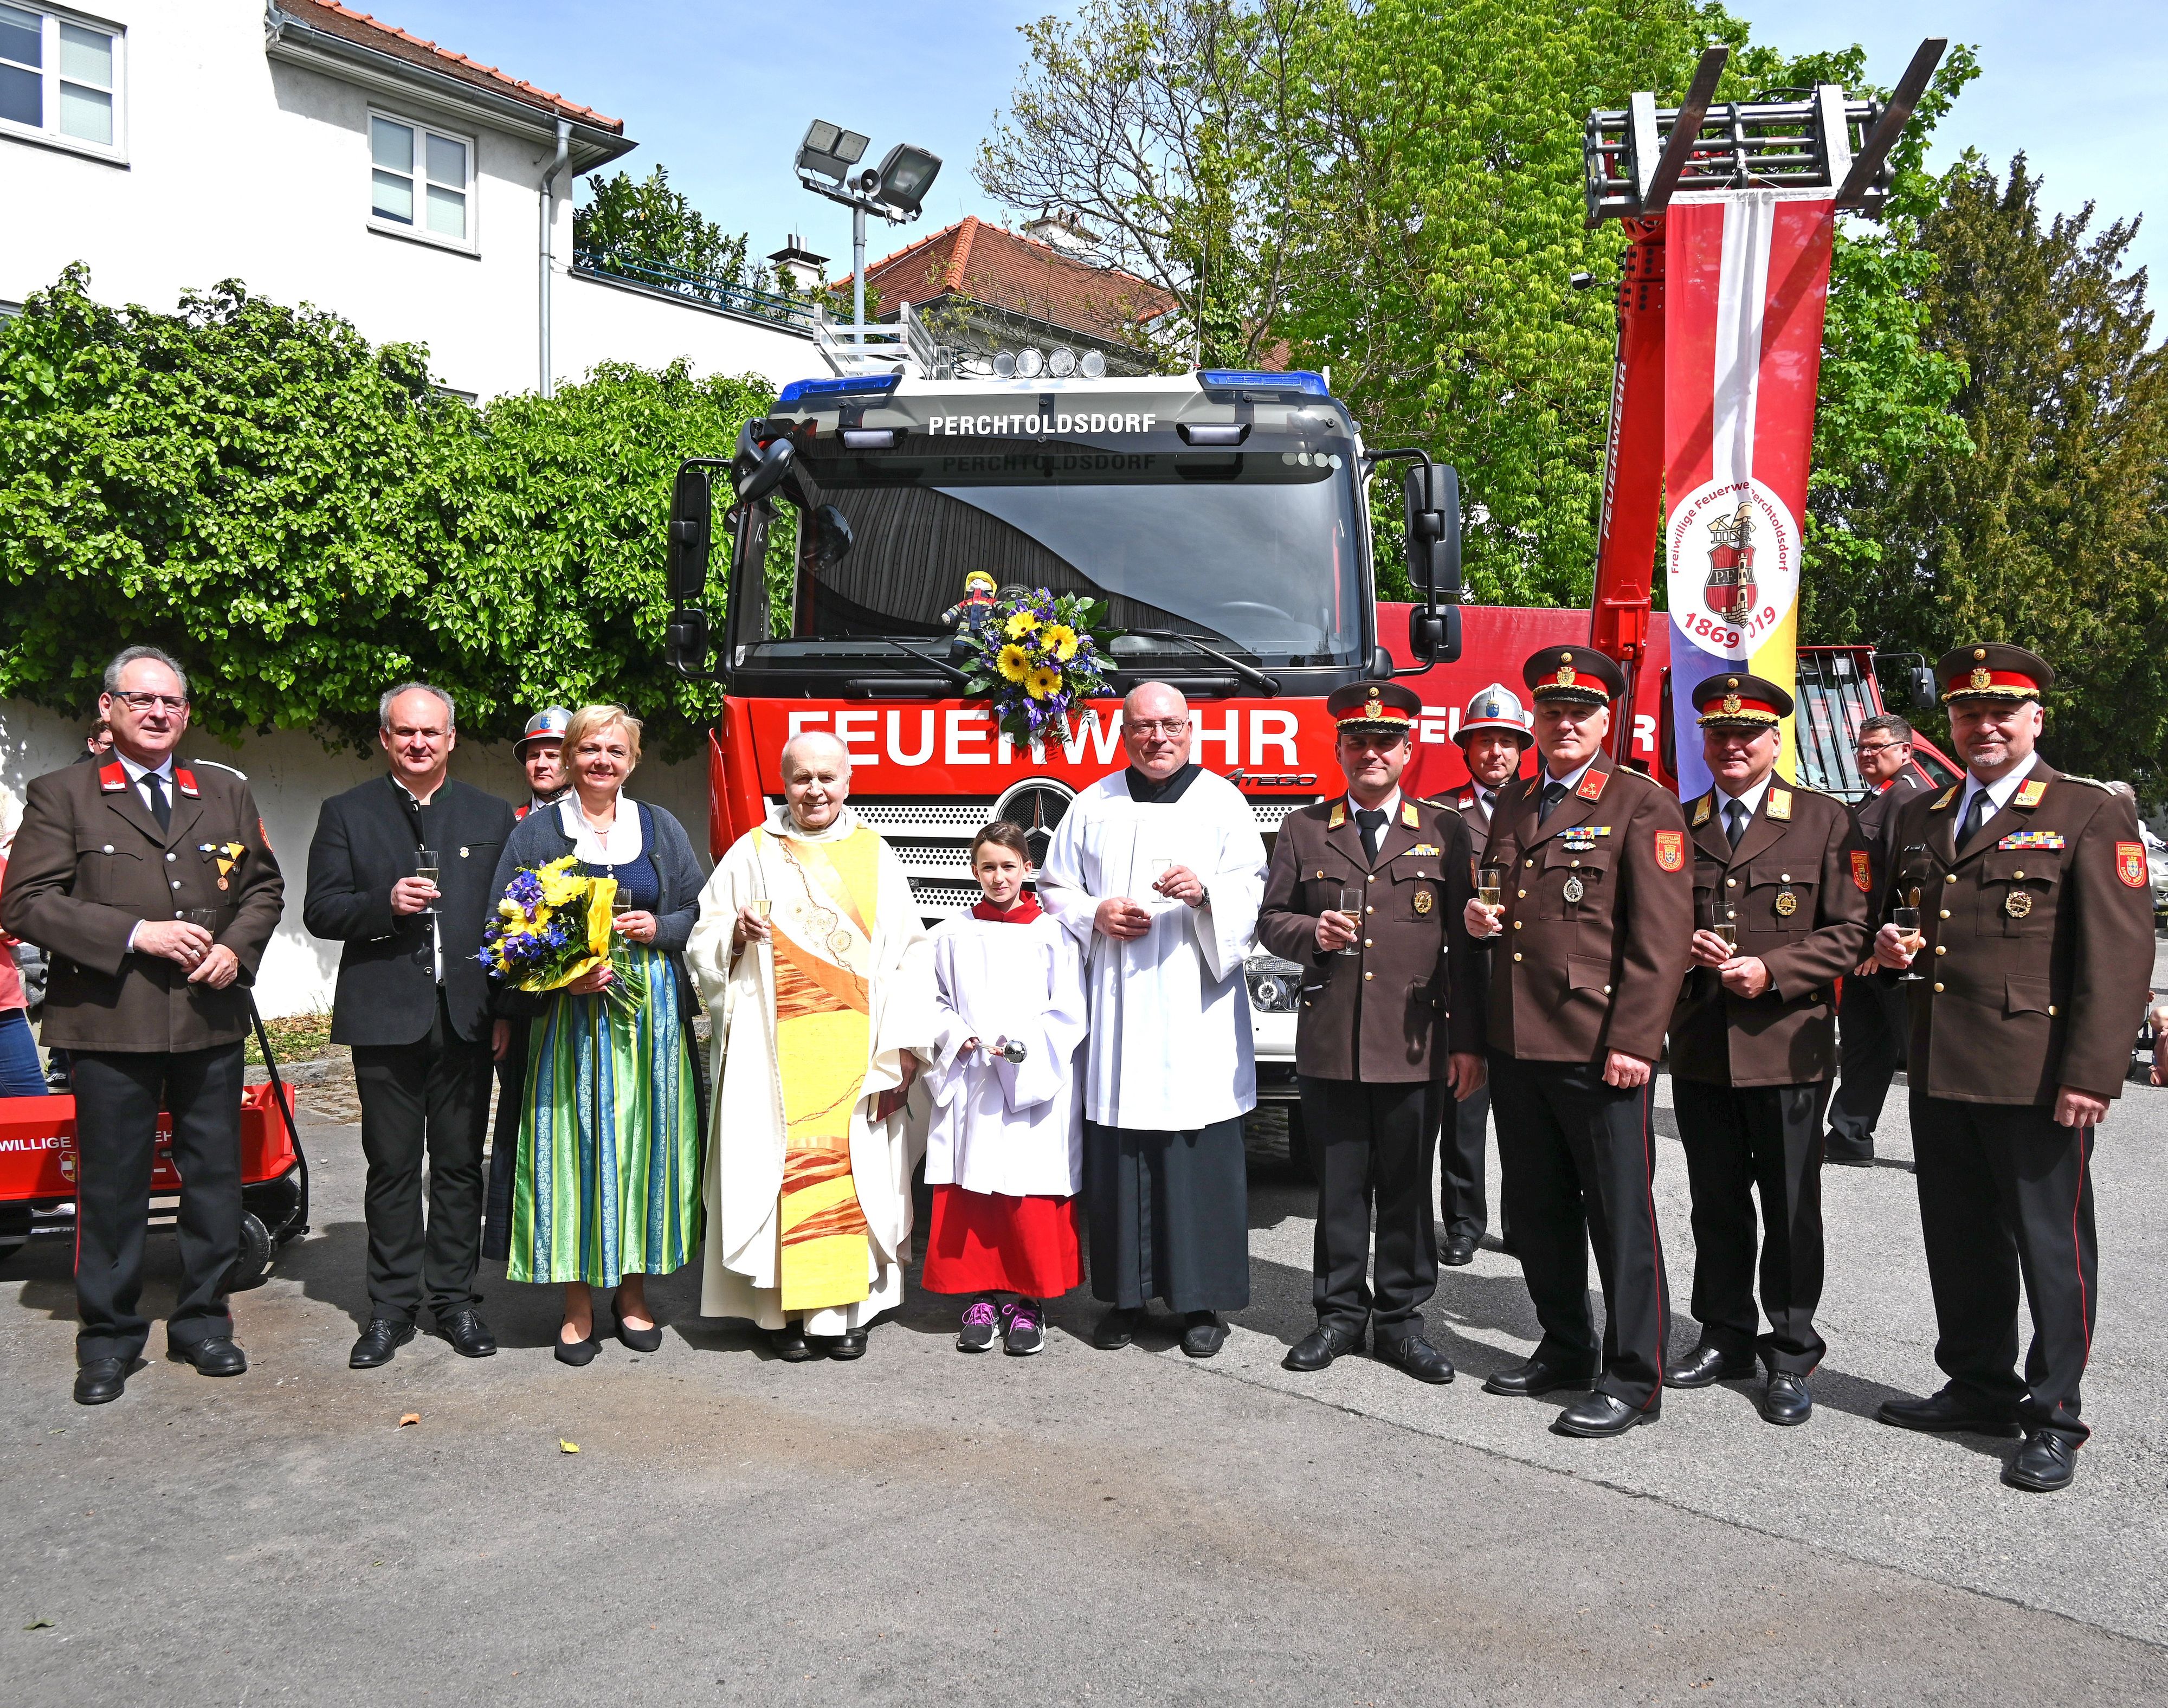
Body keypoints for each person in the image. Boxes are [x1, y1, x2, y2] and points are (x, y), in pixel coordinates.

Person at [1870, 644, 2154, 1493]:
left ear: (2036, 718)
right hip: (1940, 1064)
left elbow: (2120, 956)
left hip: (2038, 1076)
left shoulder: (2087, 812)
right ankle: (1979, 1383)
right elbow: (1903, 921)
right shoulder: (1926, 813)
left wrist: (2094, 1075)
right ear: (1950, 724)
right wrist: (1888, 945)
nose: (1984, 726)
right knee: (1959, 1241)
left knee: (2051, 1248)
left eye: (2002, 712)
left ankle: (2054, 1411)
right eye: (1968, 714)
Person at [2, 646, 283, 1404]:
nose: (157, 712)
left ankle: (203, 1321)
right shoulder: (63, 794)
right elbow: (25, 902)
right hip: (109, 1021)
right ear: (108, 707)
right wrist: (136, 933)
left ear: (186, 714)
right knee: (115, 1186)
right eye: (140, 698)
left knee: (215, 1179)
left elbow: (262, 886)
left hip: (207, 1017)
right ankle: (109, 1338)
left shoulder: (221, 789)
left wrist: (235, 947)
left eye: (171, 702)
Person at [1464, 647, 1692, 1437]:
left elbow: (1662, 942)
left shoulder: (1639, 804)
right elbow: (1505, 912)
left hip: (1601, 1047)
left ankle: (1635, 1376)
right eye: (1551, 711)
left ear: (1607, 720)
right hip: (1519, 1042)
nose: (1564, 723)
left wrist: (1636, 1039)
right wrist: (1476, 919)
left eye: (1579, 711)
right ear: (1535, 720)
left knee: (1619, 1213)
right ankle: (1564, 1344)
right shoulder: (1516, 800)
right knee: (1537, 1208)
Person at [1257, 683, 1484, 1383]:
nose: (1371, 753)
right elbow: (1270, 920)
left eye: (1386, 742)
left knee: (1409, 1187)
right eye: (1358, 742)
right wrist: (1311, 932)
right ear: (1341, 751)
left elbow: (1468, 945)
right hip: (1333, 1042)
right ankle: (1337, 1313)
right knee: (1341, 1188)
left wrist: (1469, 1043)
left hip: (1415, 1042)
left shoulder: (1444, 830)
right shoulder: (1304, 828)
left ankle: (1402, 1321)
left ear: (1408, 751)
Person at [687, 731, 934, 1361]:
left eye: (827, 777)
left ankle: (840, 1313)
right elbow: (702, 938)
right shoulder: (751, 852)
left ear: (848, 783)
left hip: (857, 1052)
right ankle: (783, 1314)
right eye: (802, 778)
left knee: (852, 1173)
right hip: (774, 1054)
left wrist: (904, 1050)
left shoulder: (876, 856)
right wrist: (733, 938)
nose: (815, 790)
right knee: (776, 1167)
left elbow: (911, 958)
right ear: (784, 783)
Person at [1039, 682, 1268, 1359]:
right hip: (1119, 1012)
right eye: (1143, 727)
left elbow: (1253, 890)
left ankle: (1201, 1304)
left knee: (1194, 1157)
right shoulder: (1093, 804)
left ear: (1191, 728)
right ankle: (1125, 1296)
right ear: (1123, 731)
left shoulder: (1222, 802)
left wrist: (1207, 896)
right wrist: (1094, 915)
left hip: (1194, 1012)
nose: (1157, 737)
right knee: (1121, 1159)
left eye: (1170, 725)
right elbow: (1054, 889)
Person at [1664, 674, 1870, 1426]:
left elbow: (1850, 931)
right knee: (1715, 1202)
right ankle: (1723, 1332)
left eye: (1748, 732)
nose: (1733, 745)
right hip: (1701, 1047)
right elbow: (1646, 922)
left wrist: (1775, 969)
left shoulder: (1823, 820)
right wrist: (1680, 945)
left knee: (1789, 1207)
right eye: (1719, 734)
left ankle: (1789, 1349)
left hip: (1786, 1046)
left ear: (1775, 739)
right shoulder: (1677, 822)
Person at [486, 705, 707, 1364]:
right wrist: (561, 979)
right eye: (589, 749)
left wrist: (660, 929)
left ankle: (633, 1296)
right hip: (569, 1019)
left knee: (647, 1150)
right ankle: (577, 1305)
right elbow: (505, 927)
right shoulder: (536, 834)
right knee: (574, 1151)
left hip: (651, 1019)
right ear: (570, 757)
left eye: (615, 750)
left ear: (632, 760)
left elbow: (699, 907)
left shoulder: (660, 828)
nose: (601, 761)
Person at [302, 684, 515, 1369]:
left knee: (457, 1166)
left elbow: (516, 920)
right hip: (385, 1017)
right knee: (392, 1166)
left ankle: (454, 1299)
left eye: (432, 732)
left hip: (468, 1016)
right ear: (385, 738)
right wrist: (382, 903)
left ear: (451, 738)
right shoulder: (347, 812)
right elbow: (321, 910)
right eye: (405, 732)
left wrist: (507, 1012)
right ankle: (391, 1307)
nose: (419, 742)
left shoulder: (489, 814)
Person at [922, 821, 1088, 1356]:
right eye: (988, 866)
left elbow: (1069, 1011)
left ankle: (1025, 1302)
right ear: (974, 870)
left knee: (1025, 1186)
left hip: (1031, 1083)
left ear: (1027, 869)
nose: (998, 876)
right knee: (972, 1188)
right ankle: (977, 1297)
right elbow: (932, 1002)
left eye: (1008, 866)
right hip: (971, 1076)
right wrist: (958, 1036)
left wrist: (1021, 1051)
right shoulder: (948, 933)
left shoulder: (1054, 935)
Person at [1440, 682, 1532, 1263]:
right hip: (1467, 985)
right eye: (1482, 741)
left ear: (1522, 748)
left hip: (1529, 988)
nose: (1494, 751)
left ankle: (1525, 1223)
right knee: (1464, 1114)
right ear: (1466, 749)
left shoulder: (1541, 806)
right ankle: (1464, 1223)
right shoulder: (1442, 815)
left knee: (1527, 1123)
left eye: (1505, 741)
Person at [482, 705, 576, 1262]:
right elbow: (495, 921)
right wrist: (499, 1007)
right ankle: (519, 1236)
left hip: (593, 996)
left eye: (552, 752)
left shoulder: (600, 823)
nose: (542, 762)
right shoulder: (508, 824)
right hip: (525, 1005)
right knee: (521, 1117)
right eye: (533, 753)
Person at [1825, 714, 1931, 1165]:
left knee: (1920, 1048)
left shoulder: (1911, 799)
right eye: (1862, 747)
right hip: (1864, 946)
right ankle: (1849, 1136)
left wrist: (1876, 945)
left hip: (1890, 952)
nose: (1868, 755)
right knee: (1865, 1042)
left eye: (1879, 747)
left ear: (1906, 751)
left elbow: (1910, 885)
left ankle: (1940, 1149)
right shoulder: (1880, 797)